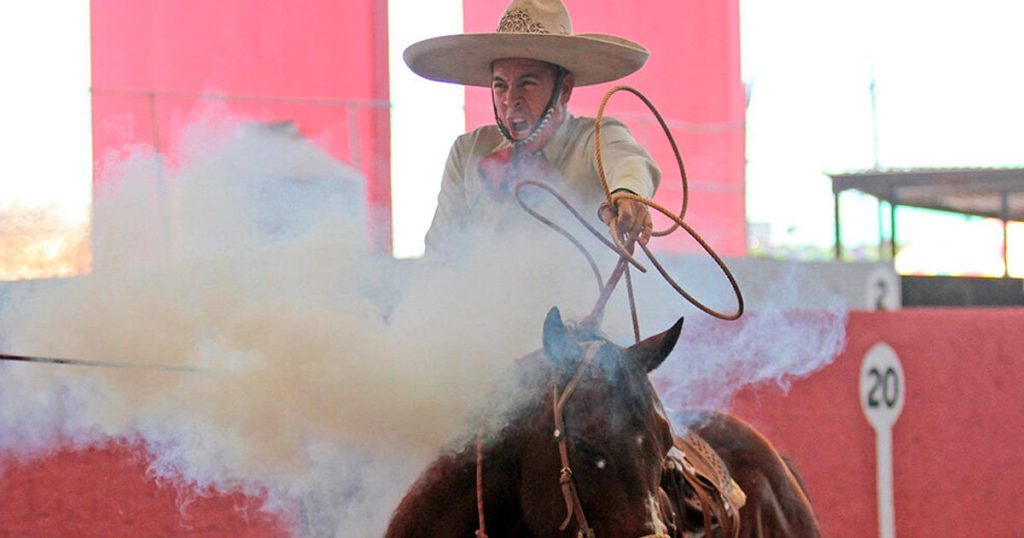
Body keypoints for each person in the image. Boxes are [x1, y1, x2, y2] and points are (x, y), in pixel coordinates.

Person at [404, 0, 660, 257]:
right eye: (500, 85)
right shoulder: (468, 151)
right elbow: (441, 253)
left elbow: (628, 161)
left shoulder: (594, 139)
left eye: (527, 84)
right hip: (483, 296)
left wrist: (627, 194)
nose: (510, 100)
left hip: (582, 295)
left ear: (564, 89)